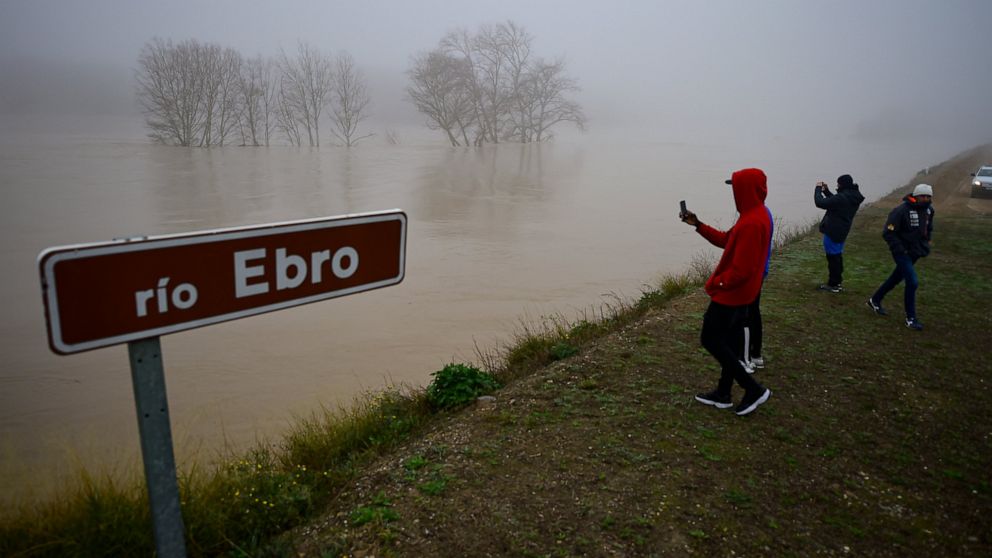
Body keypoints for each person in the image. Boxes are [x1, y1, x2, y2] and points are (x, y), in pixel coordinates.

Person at [680, 168, 773, 416]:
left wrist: (715, 284)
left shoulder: (753, 222)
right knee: (729, 344)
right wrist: (698, 224)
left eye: (735, 186)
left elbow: (741, 271)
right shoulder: (752, 215)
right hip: (743, 294)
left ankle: (752, 388)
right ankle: (723, 393)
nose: (733, 191)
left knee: (710, 339)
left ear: (747, 189)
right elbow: (725, 240)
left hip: (733, 295)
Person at [866, 184, 934, 330]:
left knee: (896, 278)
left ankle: (875, 300)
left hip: (916, 252)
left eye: (929, 197)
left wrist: (927, 240)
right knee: (912, 282)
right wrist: (900, 250)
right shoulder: (900, 211)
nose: (926, 199)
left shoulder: (929, 210)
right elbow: (888, 233)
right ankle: (911, 318)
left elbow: (929, 227)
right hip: (902, 253)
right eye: (923, 196)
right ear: (916, 196)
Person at [813, 174, 865, 292]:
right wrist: (826, 191)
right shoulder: (852, 196)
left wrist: (817, 189)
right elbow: (835, 202)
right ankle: (837, 282)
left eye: (838, 184)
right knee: (837, 256)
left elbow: (820, 203)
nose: (837, 185)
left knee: (833, 257)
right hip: (842, 230)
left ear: (842, 184)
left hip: (833, 231)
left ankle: (833, 284)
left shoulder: (843, 197)